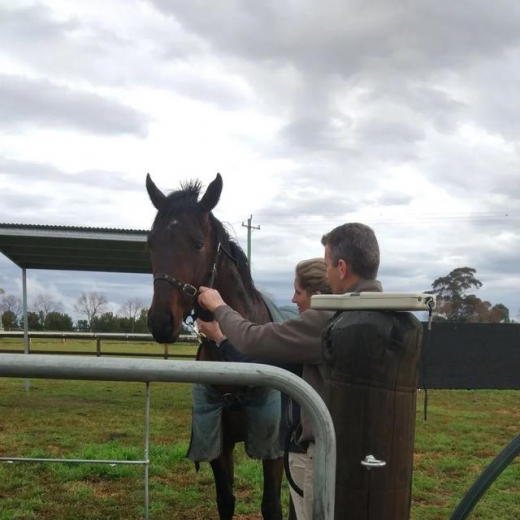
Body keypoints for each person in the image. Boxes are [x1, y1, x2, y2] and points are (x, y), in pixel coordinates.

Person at [197, 223, 383, 519]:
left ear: (343, 268)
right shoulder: (385, 313)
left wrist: (219, 308)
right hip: (371, 453)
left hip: (320, 451)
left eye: (328, 265)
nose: (294, 300)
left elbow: (252, 342)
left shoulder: (329, 320)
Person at [198, 258, 332, 520]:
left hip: (313, 451)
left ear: (316, 296)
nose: (293, 300)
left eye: (298, 292)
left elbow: (252, 349)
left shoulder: (315, 326)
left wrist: (220, 314)